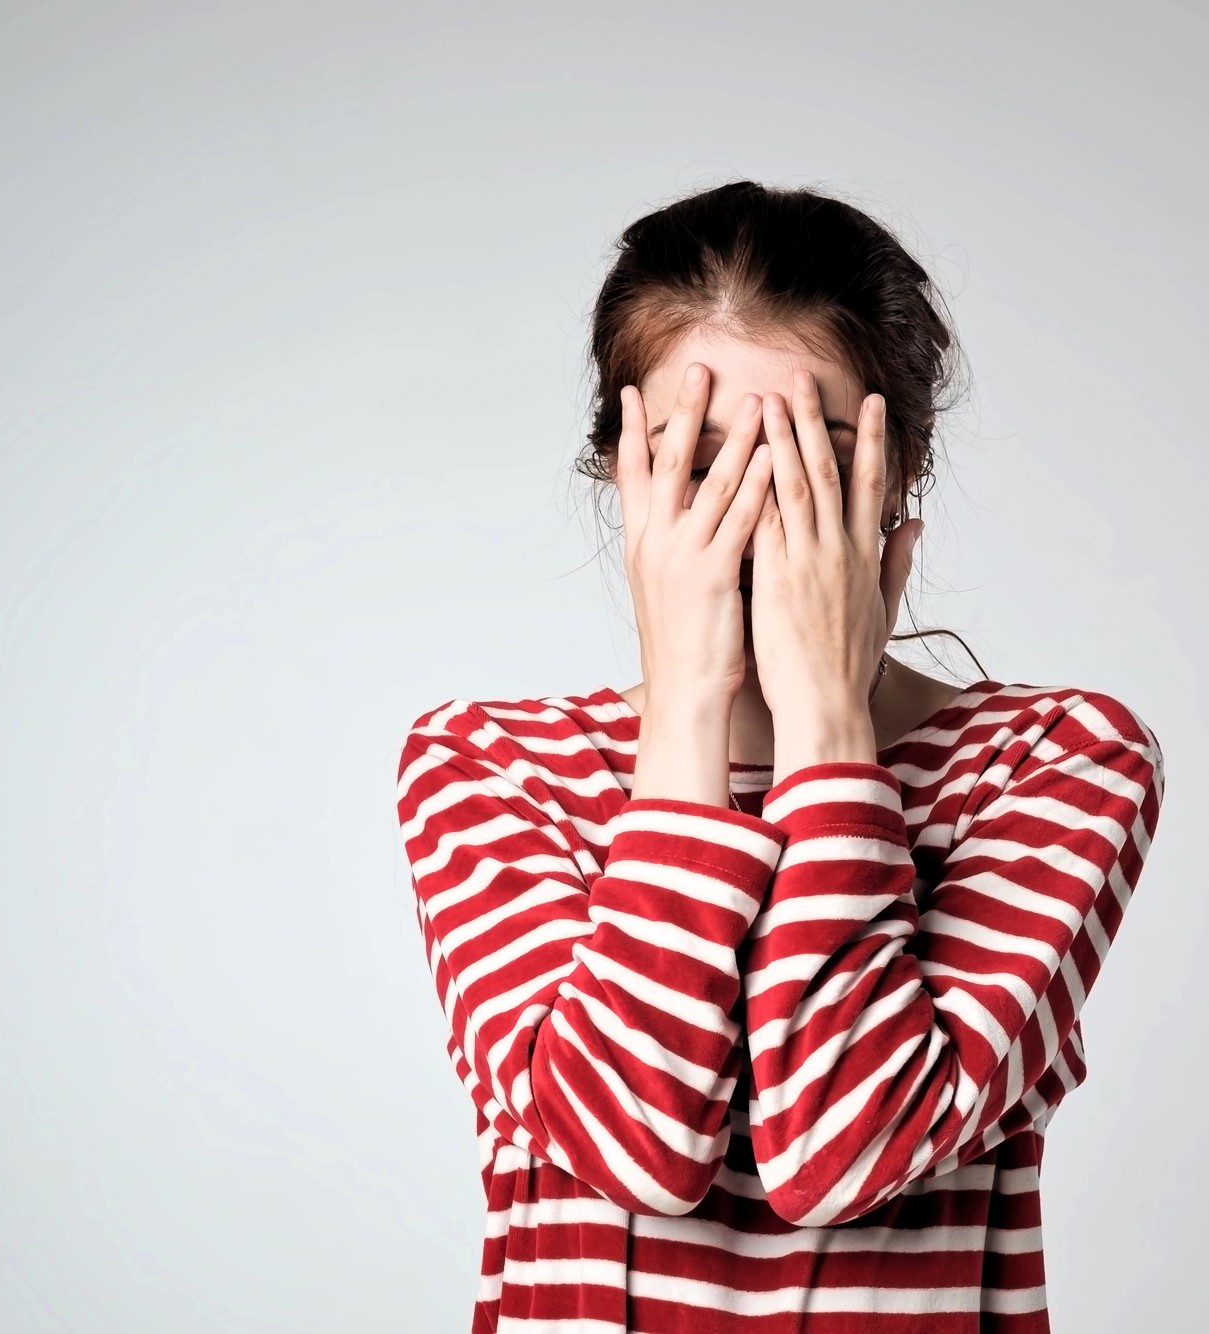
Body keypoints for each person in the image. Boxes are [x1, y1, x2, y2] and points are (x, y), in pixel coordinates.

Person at [395, 180, 1165, 1333]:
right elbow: (632, 1145)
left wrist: (823, 720)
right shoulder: (493, 768)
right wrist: (690, 708)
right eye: (700, 460)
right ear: (624, 476)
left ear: (896, 474)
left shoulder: (1048, 762)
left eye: (808, 456)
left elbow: (840, 1152)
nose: (755, 516)